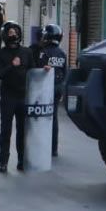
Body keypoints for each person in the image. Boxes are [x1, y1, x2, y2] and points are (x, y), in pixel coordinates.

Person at [0, 21, 35, 173]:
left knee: (22, 130)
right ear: (5, 35)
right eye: (10, 32)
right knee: (6, 130)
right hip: (8, 97)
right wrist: (11, 65)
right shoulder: (1, 54)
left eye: (15, 32)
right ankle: (3, 162)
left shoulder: (26, 52)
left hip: (23, 97)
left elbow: (33, 73)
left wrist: (45, 71)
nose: (13, 34)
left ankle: (22, 161)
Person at [32, 24, 67, 157]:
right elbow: (65, 72)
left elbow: (38, 69)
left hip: (45, 88)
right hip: (58, 87)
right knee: (53, 117)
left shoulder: (44, 52)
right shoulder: (62, 53)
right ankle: (54, 149)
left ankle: (42, 145)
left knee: (41, 117)